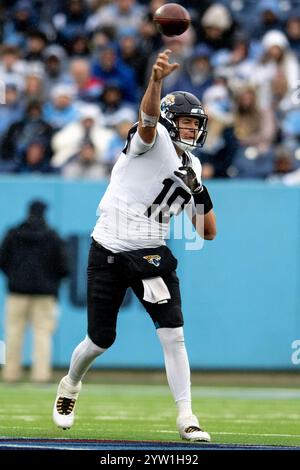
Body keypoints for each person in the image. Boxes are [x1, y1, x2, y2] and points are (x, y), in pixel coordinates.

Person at [53, 49, 216, 442]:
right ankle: (71, 383)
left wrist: (199, 190)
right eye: (187, 123)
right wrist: (156, 82)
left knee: (173, 333)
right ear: (170, 121)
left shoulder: (192, 167)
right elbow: (146, 119)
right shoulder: (153, 136)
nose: (193, 131)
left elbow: (207, 230)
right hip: (109, 246)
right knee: (99, 339)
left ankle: (187, 416)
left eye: (197, 124)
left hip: (151, 254)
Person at [0, 200, 69, 383]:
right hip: (45, 295)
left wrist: (14, 278)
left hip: (17, 292)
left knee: (13, 334)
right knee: (43, 335)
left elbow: (3, 260)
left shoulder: (13, 234)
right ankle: (41, 375)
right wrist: (51, 282)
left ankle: (10, 374)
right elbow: (64, 267)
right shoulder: (53, 237)